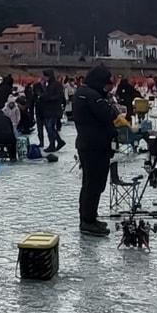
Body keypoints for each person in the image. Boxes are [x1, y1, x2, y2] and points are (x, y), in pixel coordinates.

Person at [71, 66, 117, 235]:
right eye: (107, 84)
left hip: (89, 144)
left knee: (90, 184)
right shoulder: (92, 96)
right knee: (93, 184)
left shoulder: (83, 93)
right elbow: (108, 115)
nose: (109, 88)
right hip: (94, 146)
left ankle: (89, 217)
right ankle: (88, 221)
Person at [39, 72, 66, 152]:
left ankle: (53, 144)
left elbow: (59, 96)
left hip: (54, 109)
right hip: (48, 109)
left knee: (50, 127)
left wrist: (49, 99)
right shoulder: (48, 85)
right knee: (49, 127)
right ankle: (57, 142)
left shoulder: (56, 85)